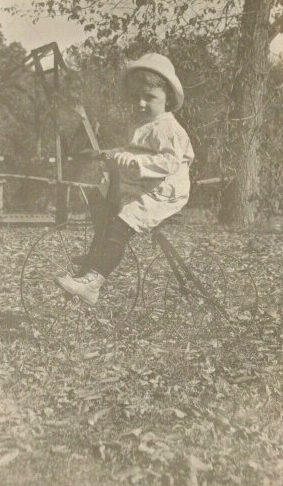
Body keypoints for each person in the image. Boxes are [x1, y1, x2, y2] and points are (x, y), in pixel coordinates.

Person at [55, 53, 194, 306]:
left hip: (163, 191)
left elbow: (169, 162)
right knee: (101, 196)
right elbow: (134, 149)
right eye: (136, 97)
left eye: (149, 97)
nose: (141, 103)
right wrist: (112, 153)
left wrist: (137, 162)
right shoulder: (146, 124)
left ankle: (94, 283)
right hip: (144, 184)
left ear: (168, 99)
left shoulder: (169, 129)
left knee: (122, 221)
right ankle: (99, 251)